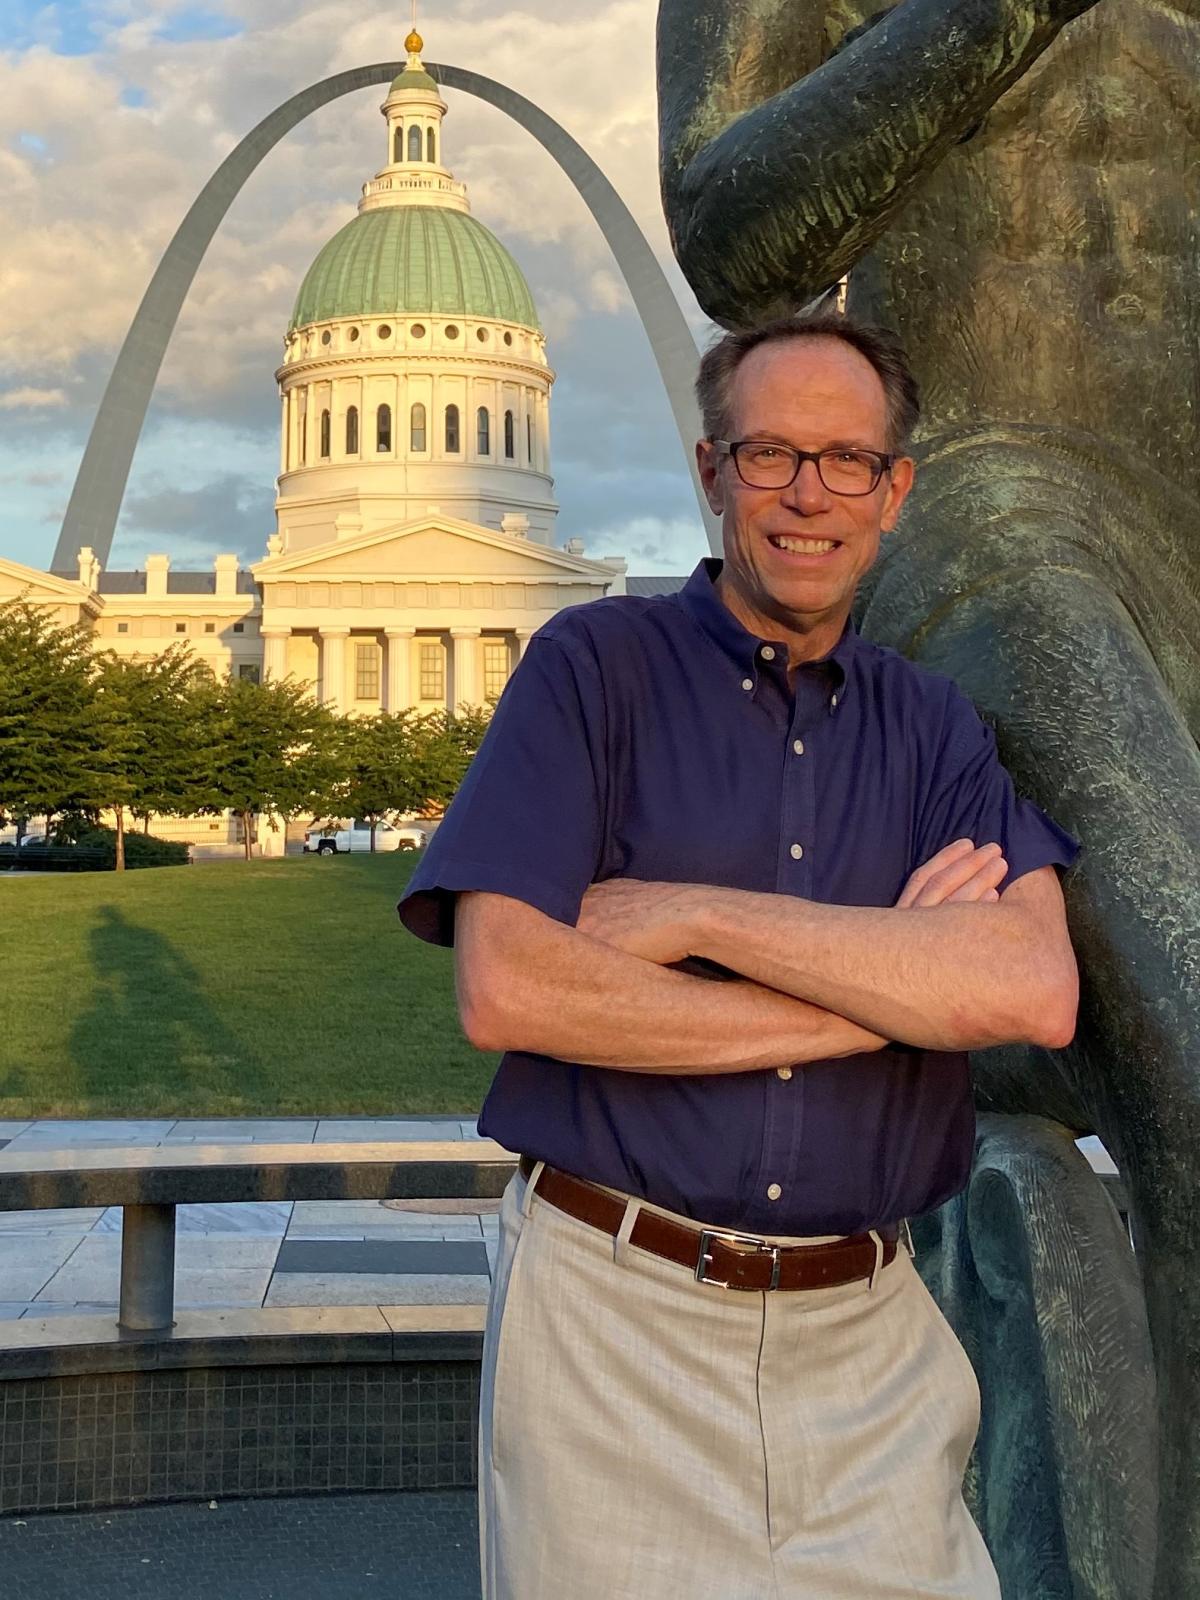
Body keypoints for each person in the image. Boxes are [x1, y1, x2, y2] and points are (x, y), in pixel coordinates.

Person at [398, 309, 1080, 1600]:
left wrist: (696, 921)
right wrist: (894, 991)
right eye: (769, 455)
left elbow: (1031, 989)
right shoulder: (589, 669)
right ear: (712, 474)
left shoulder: (935, 727)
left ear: (896, 491)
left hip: (871, 1347)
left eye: (845, 461)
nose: (807, 494)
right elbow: (509, 986)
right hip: (616, 1334)